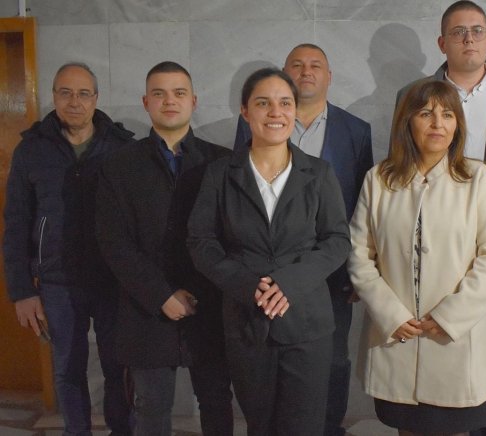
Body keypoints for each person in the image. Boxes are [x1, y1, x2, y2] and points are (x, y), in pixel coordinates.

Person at [397, 4, 486, 432]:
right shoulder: (413, 94)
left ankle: (483, 428)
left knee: (482, 346)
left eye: (477, 30)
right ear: (442, 42)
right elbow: (400, 161)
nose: (468, 39)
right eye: (458, 32)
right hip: (429, 246)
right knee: (432, 345)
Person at [187, 67, 351, 436]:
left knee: (304, 427)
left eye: (285, 103)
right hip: (247, 320)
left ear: (294, 110)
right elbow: (201, 241)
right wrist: (245, 284)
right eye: (263, 103)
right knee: (260, 425)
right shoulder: (219, 174)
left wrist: (290, 282)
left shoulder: (319, 173)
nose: (276, 112)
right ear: (245, 111)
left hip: (307, 322)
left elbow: (337, 240)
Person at [349, 79, 486, 436]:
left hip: (456, 338)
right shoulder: (379, 180)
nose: (438, 123)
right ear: (407, 120)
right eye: (426, 113)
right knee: (405, 425)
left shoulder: (478, 178)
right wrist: (390, 314)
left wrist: (451, 315)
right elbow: (359, 254)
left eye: (447, 114)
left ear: (458, 124)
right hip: (397, 335)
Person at [234, 44, 373, 436]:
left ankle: (329, 428)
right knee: (268, 365)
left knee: (333, 361)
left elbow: (362, 204)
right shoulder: (259, 123)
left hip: (331, 270)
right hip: (267, 278)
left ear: (329, 76)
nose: (306, 71)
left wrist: (356, 269)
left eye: (315, 65)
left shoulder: (356, 130)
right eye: (296, 65)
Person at [95, 61, 233, 436]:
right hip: (145, 308)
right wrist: (161, 295)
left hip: (209, 304)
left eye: (178, 93)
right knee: (151, 407)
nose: (169, 101)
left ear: (193, 101)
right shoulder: (119, 165)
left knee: (217, 402)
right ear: (146, 102)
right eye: (159, 93)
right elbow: (113, 242)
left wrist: (199, 290)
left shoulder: (222, 161)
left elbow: (232, 237)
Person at [3, 62, 133, 436]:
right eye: (65, 92)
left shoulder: (121, 146)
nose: (74, 101)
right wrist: (22, 291)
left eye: (83, 93)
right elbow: (16, 224)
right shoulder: (31, 149)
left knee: (119, 367)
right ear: (54, 96)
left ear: (96, 98)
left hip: (112, 280)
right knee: (67, 369)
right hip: (58, 282)